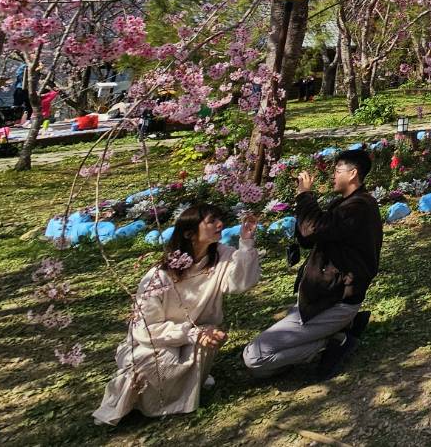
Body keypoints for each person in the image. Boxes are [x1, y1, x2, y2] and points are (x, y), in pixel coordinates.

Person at [93, 205, 260, 425]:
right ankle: (140, 400)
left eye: (219, 219)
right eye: (211, 221)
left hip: (200, 336)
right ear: (189, 233)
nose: (220, 224)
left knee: (198, 348)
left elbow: (240, 283)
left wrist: (246, 242)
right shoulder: (158, 276)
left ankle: (181, 392)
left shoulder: (221, 255)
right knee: (155, 362)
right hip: (157, 340)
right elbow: (144, 330)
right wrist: (191, 333)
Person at [243, 148, 382, 379]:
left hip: (335, 300)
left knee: (255, 358)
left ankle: (332, 340)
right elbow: (309, 236)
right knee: (263, 352)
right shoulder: (346, 204)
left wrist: (304, 196)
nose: (333, 176)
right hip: (320, 296)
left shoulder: (359, 207)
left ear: (353, 174)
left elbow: (313, 228)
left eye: (337, 171)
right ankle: (335, 334)